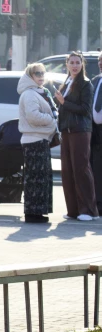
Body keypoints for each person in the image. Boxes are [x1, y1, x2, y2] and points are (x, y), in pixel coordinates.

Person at [54, 51, 99, 221]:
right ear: (67, 64)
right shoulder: (66, 82)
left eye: (77, 62)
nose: (74, 65)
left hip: (80, 131)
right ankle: (73, 210)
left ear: (82, 65)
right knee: (67, 171)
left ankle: (88, 210)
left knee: (81, 169)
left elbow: (85, 109)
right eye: (71, 62)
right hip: (66, 130)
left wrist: (64, 102)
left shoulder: (86, 84)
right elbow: (61, 105)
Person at [17, 63, 57, 223]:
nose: (41, 76)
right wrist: (52, 120)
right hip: (33, 141)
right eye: (37, 73)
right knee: (35, 179)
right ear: (30, 76)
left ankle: (38, 213)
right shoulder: (29, 94)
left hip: (41, 140)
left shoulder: (42, 92)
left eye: (42, 73)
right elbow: (33, 116)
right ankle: (32, 214)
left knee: (42, 178)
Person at [91, 52, 102, 213]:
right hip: (96, 132)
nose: (101, 63)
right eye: (100, 60)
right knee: (96, 167)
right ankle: (98, 204)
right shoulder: (95, 80)